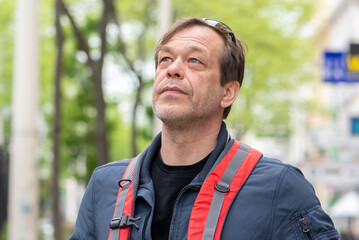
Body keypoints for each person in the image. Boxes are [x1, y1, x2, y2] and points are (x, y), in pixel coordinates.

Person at [70, 17, 340, 240]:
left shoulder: (281, 188)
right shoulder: (105, 186)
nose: (173, 69)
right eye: (165, 59)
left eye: (194, 61)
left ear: (228, 92)